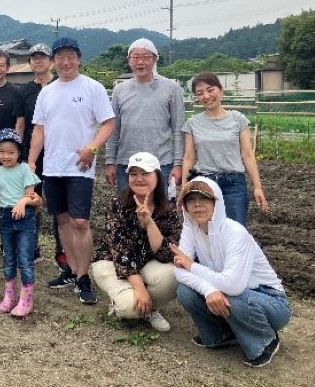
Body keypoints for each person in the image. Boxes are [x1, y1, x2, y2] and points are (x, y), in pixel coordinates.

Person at [27, 36, 115, 303]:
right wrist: (32, 160)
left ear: (78, 59)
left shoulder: (92, 88)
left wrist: (92, 149)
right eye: (60, 57)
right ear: (54, 61)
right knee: (62, 220)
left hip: (80, 167)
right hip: (53, 167)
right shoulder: (47, 92)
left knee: (80, 221)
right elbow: (39, 129)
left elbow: (108, 123)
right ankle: (72, 271)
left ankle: (83, 275)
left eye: (70, 57)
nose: (65, 62)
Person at [173, 177, 290, 368]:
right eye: (190, 200)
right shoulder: (190, 229)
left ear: (216, 202)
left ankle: (266, 341)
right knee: (184, 291)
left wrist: (192, 266)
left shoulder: (235, 233)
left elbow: (233, 285)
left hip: (270, 301)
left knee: (231, 296)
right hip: (231, 291)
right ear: (185, 206)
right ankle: (221, 335)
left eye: (204, 199)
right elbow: (179, 271)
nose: (197, 205)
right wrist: (209, 289)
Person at [92, 152, 181, 331]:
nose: (139, 179)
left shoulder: (169, 210)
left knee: (175, 275)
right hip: (112, 262)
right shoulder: (118, 205)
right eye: (133, 174)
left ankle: (149, 307)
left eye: (145, 173)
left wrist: (149, 223)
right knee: (128, 307)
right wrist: (140, 289)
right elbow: (121, 253)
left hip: (146, 262)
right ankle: (130, 301)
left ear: (157, 175)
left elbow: (166, 254)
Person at [182, 72, 268, 226]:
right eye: (200, 93)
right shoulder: (192, 123)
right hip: (204, 185)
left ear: (220, 90)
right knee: (206, 230)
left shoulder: (238, 119)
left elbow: (247, 155)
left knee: (235, 230)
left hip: (233, 185)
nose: (206, 96)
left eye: (210, 90)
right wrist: (184, 187)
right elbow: (189, 157)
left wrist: (257, 186)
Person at [105, 38, 185, 191]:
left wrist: (178, 164)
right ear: (129, 60)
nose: (140, 62)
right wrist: (109, 161)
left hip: (161, 163)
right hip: (127, 165)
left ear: (154, 59)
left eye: (146, 57)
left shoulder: (171, 88)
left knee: (161, 211)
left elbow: (178, 129)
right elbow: (113, 129)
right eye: (135, 57)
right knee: (128, 211)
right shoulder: (120, 90)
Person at [0, 129, 42, 317]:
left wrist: (22, 201)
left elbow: (32, 196)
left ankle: (26, 300)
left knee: (25, 260)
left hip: (25, 218)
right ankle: (9, 297)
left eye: (11, 152)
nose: (6, 156)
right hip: (5, 219)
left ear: (19, 152)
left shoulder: (25, 169)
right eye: (1, 151)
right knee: (8, 259)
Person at [20, 43, 65, 268]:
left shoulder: (62, 85)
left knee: (58, 204)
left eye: (43, 57)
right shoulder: (25, 90)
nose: (38, 61)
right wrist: (22, 153)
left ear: (51, 61)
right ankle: (32, 247)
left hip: (59, 153)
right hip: (32, 154)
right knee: (31, 200)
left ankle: (61, 250)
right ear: (30, 62)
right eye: (34, 58)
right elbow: (22, 123)